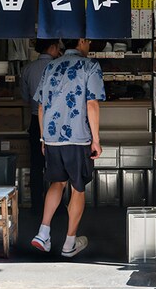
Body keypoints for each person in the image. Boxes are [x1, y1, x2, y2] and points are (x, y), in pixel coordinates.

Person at [30, 38, 105, 258]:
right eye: (88, 41)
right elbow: (92, 104)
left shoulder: (50, 66)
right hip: (78, 138)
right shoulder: (89, 66)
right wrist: (96, 139)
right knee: (77, 188)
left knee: (57, 182)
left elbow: (41, 106)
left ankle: (43, 233)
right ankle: (69, 243)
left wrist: (43, 139)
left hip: (52, 138)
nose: (89, 45)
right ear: (81, 41)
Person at [20, 38, 62, 211]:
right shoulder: (59, 67)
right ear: (52, 47)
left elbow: (24, 97)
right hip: (55, 122)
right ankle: (56, 206)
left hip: (35, 121)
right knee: (56, 165)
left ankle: (36, 204)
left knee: (36, 164)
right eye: (57, 47)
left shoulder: (27, 69)